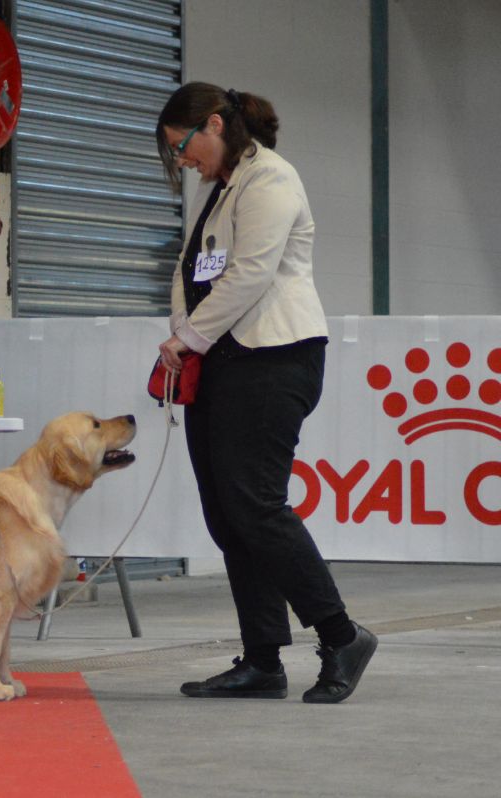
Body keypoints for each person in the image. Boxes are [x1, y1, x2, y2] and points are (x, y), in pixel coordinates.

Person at [155, 82, 377, 703]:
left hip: (276, 359)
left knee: (256, 506)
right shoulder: (215, 188)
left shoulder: (272, 180)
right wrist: (183, 333)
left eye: (184, 146)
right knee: (227, 514)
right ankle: (262, 661)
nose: (182, 161)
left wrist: (191, 337)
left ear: (216, 125)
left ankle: (341, 636)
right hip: (221, 361)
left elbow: (251, 272)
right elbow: (188, 268)